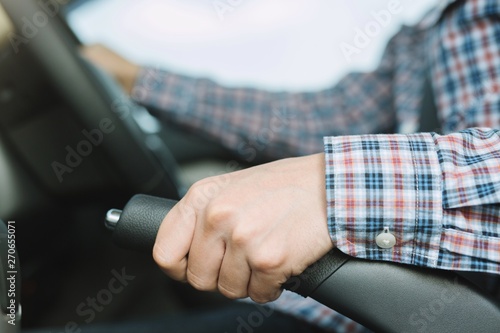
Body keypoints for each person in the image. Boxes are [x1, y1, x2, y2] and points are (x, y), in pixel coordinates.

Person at [82, 0, 500, 331]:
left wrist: (331, 191)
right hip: (350, 311)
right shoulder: (438, 26)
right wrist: (141, 79)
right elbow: (335, 117)